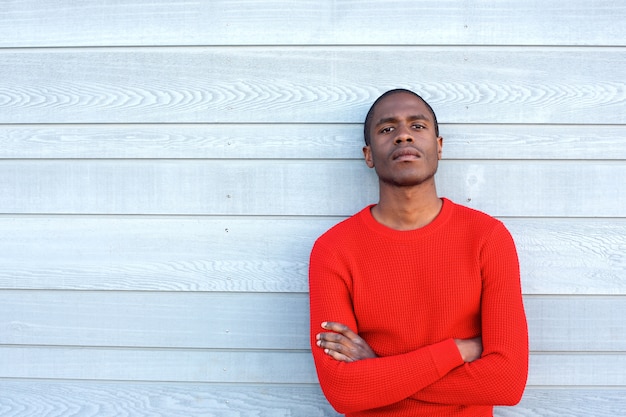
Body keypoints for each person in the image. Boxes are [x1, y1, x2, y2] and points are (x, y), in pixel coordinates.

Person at [308, 88, 529, 416]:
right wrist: (458, 351)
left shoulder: (487, 238)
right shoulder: (333, 250)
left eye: (418, 126)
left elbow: (506, 383)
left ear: (439, 147)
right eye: (387, 129)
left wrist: (380, 370)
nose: (403, 136)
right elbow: (343, 391)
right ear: (368, 155)